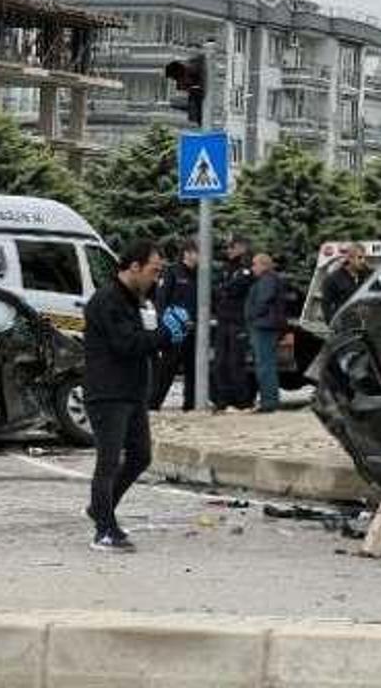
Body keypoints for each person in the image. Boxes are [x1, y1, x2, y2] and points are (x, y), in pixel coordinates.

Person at [81, 239, 190, 552]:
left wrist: (170, 338)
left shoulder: (132, 299)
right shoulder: (107, 301)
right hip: (107, 393)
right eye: (153, 271)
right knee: (109, 461)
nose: (156, 279)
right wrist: (164, 334)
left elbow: (143, 342)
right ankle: (104, 530)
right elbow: (126, 345)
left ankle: (100, 507)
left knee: (141, 456)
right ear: (134, 267)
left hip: (131, 392)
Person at [149, 239, 199, 411]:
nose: (200, 257)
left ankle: (190, 404)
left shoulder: (200, 274)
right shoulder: (172, 272)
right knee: (167, 369)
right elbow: (161, 301)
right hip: (175, 330)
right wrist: (168, 325)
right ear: (187, 253)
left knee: (193, 369)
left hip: (194, 330)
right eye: (197, 252)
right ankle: (154, 403)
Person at [211, 236, 256, 411]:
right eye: (227, 247)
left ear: (242, 247)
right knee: (220, 361)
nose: (228, 250)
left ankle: (242, 400)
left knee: (236, 362)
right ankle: (222, 400)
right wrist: (224, 289)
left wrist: (225, 289)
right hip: (224, 319)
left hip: (238, 320)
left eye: (232, 247)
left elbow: (237, 287)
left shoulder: (246, 268)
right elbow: (218, 289)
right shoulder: (226, 267)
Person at [244, 253, 285, 414]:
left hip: (264, 327)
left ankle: (269, 402)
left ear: (264, 265)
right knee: (265, 364)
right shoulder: (268, 279)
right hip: (265, 325)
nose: (252, 268)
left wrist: (251, 315)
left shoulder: (267, 280)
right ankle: (269, 400)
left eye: (255, 264)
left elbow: (263, 301)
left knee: (265, 365)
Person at [321, 242, 368, 322]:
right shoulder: (334, 279)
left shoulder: (367, 275)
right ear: (350, 258)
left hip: (364, 324)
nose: (363, 261)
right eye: (359, 258)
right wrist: (333, 325)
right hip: (344, 325)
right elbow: (326, 305)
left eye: (364, 258)